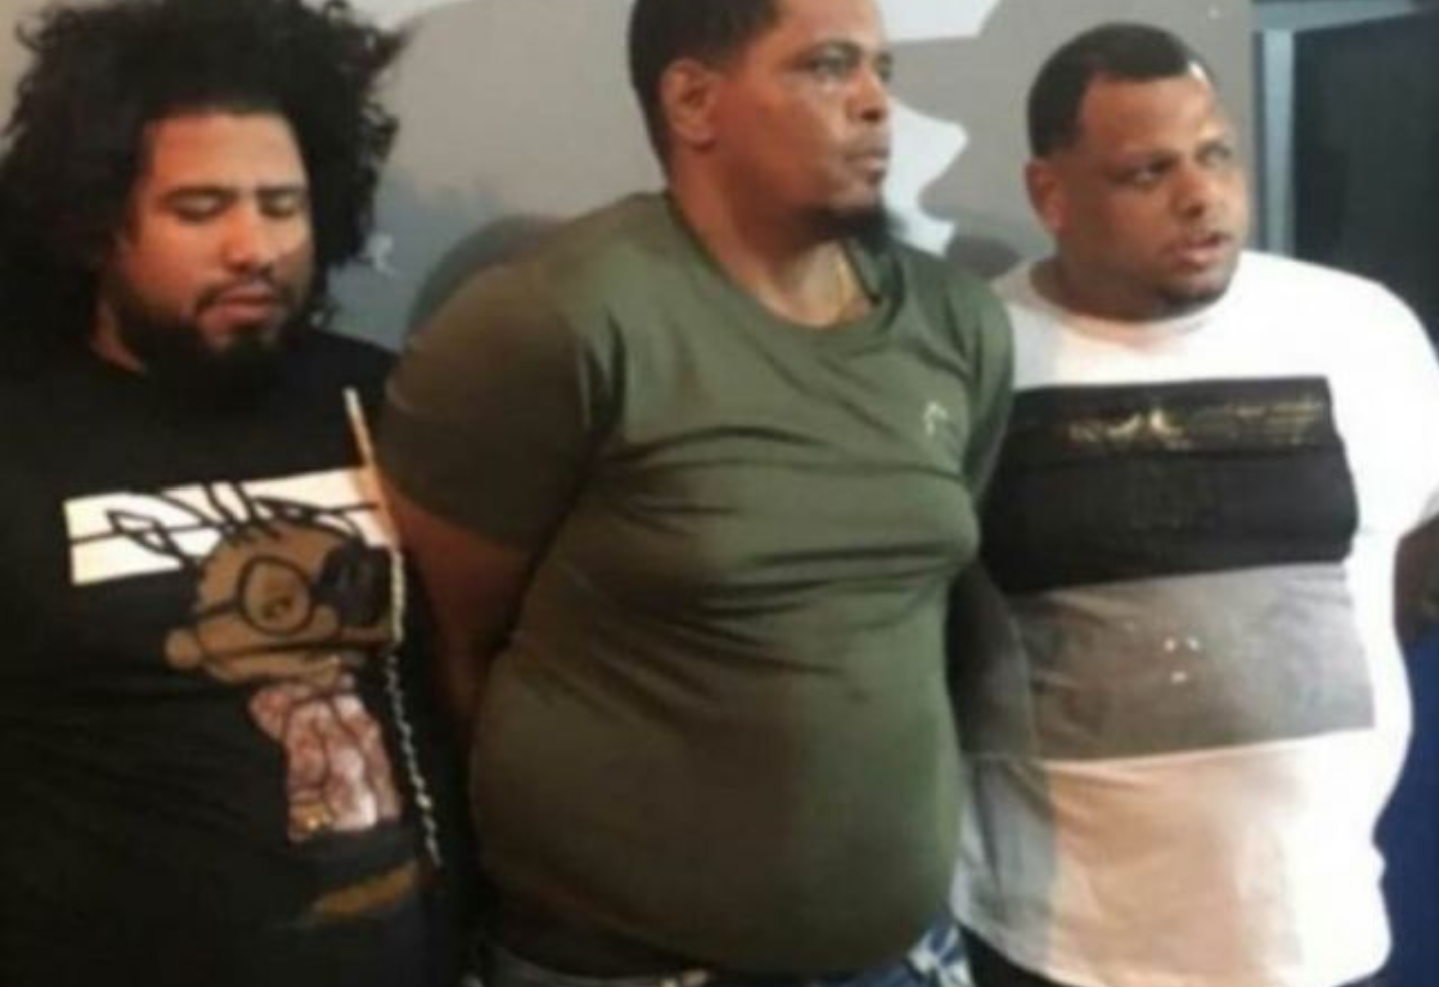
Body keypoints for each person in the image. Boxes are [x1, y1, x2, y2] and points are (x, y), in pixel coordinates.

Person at [377, 0, 1011, 983]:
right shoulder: (558, 321)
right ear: (692, 102)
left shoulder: (954, 322)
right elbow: (446, 646)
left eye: (880, 69)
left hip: (899, 956)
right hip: (620, 965)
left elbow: (929, 604)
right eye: (826, 67)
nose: (875, 103)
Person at [948, 22, 1439, 987]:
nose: (1201, 195)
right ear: (1049, 193)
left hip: (1314, 928)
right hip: (1061, 944)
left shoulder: (1360, 328)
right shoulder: (975, 356)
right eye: (1147, 171)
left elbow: (1411, 555)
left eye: (1216, 155)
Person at [0, 1, 460, 984]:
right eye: (200, 209)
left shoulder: (381, 400)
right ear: (96, 227)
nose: (256, 246)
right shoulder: (22, 436)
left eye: (282, 205)